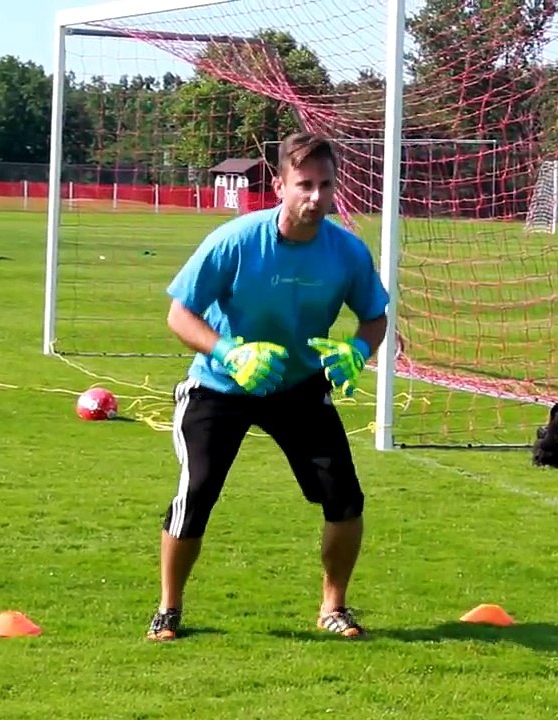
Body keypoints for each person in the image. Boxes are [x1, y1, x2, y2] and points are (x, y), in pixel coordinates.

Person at [147, 131, 390, 642]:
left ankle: (333, 607)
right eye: (304, 184)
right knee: (197, 493)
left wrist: (359, 351)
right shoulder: (235, 240)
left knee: (345, 499)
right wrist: (229, 353)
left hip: (298, 386)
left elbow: (375, 318)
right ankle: (169, 609)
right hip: (219, 387)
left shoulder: (346, 251)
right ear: (279, 184)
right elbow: (179, 314)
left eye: (326, 185)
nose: (317, 197)